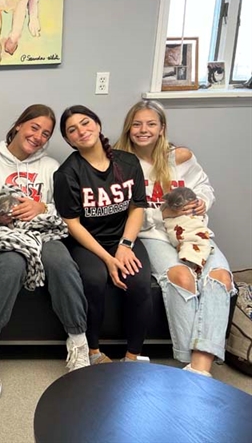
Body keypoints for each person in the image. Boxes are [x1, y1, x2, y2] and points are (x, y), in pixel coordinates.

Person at [0, 104, 90, 401]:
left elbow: (65, 212)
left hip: (43, 233)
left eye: (46, 133)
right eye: (34, 127)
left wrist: (42, 207)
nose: (38, 136)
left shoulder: (51, 167)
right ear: (18, 125)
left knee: (61, 261)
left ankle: (78, 343)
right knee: (11, 264)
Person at [114, 100, 235, 376]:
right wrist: (163, 211)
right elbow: (122, 211)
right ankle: (194, 363)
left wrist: (202, 202)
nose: (143, 130)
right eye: (137, 124)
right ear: (128, 127)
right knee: (182, 277)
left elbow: (204, 187)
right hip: (153, 235)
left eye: (151, 124)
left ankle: (197, 367)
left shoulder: (180, 157)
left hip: (191, 230)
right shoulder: (120, 163)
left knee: (220, 277)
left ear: (162, 128)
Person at [54, 105, 152, 365]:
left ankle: (132, 356)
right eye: (72, 130)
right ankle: (93, 352)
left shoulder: (128, 162)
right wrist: (107, 259)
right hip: (87, 242)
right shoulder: (66, 173)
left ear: (98, 125)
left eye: (86, 123)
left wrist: (125, 246)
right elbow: (72, 224)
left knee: (140, 283)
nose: (81, 131)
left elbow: (137, 207)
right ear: (68, 140)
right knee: (94, 280)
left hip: (123, 238)